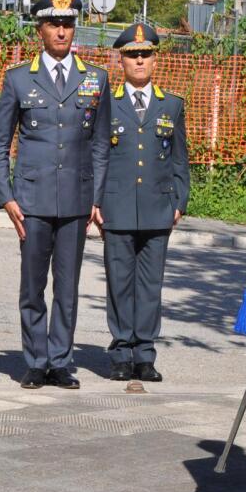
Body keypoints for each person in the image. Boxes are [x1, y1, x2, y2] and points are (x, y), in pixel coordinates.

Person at [0, 0, 110, 390]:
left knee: (69, 289)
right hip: (33, 200)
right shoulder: (18, 79)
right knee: (32, 286)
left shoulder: (96, 78)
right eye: (54, 24)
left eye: (68, 24)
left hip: (75, 200)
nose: (62, 31)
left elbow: (100, 143)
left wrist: (96, 197)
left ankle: (60, 361)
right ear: (39, 29)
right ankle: (35, 361)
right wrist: (6, 196)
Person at [98, 24, 190, 383]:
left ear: (155, 59)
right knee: (120, 283)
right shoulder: (108, 101)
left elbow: (181, 159)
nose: (139, 60)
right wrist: (96, 201)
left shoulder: (172, 104)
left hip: (157, 209)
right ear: (121, 59)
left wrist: (179, 200)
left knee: (150, 286)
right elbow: (98, 155)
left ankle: (145, 354)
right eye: (132, 55)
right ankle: (121, 352)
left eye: (145, 54)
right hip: (116, 207)